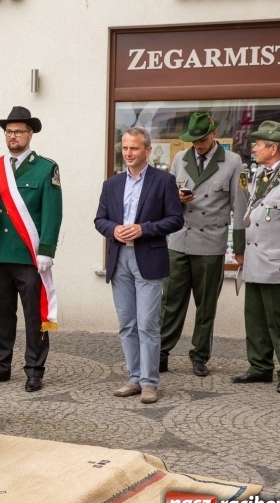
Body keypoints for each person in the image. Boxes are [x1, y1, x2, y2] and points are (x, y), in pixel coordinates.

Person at [94, 127, 184, 404]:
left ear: (147, 150)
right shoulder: (112, 184)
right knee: (127, 324)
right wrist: (114, 230)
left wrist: (143, 229)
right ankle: (134, 378)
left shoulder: (164, 181)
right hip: (119, 259)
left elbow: (175, 220)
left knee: (147, 323)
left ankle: (149, 382)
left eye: (134, 148)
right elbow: (100, 220)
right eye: (125, 148)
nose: (128, 153)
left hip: (149, 257)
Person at [159, 112, 248, 377]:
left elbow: (240, 205)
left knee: (206, 304)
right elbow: (167, 197)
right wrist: (177, 198)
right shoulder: (180, 158)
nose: (197, 145)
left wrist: (240, 248)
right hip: (178, 240)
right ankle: (161, 352)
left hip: (210, 243)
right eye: (193, 140)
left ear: (213, 135)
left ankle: (200, 356)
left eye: (201, 139)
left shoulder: (232, 162)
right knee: (170, 301)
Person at [0, 106, 62, 393]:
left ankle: (34, 369)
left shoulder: (46, 168)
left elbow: (52, 212)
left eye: (18, 131)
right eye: (9, 131)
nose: (13, 136)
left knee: (34, 314)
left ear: (30, 134)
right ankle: (0, 365)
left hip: (30, 255)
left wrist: (47, 249)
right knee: (2, 314)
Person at [231, 121, 280, 393]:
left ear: (273, 148)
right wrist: (240, 248)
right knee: (256, 319)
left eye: (259, 143)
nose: (254, 147)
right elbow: (246, 212)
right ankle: (259, 367)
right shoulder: (261, 171)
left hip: (277, 261)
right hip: (254, 257)